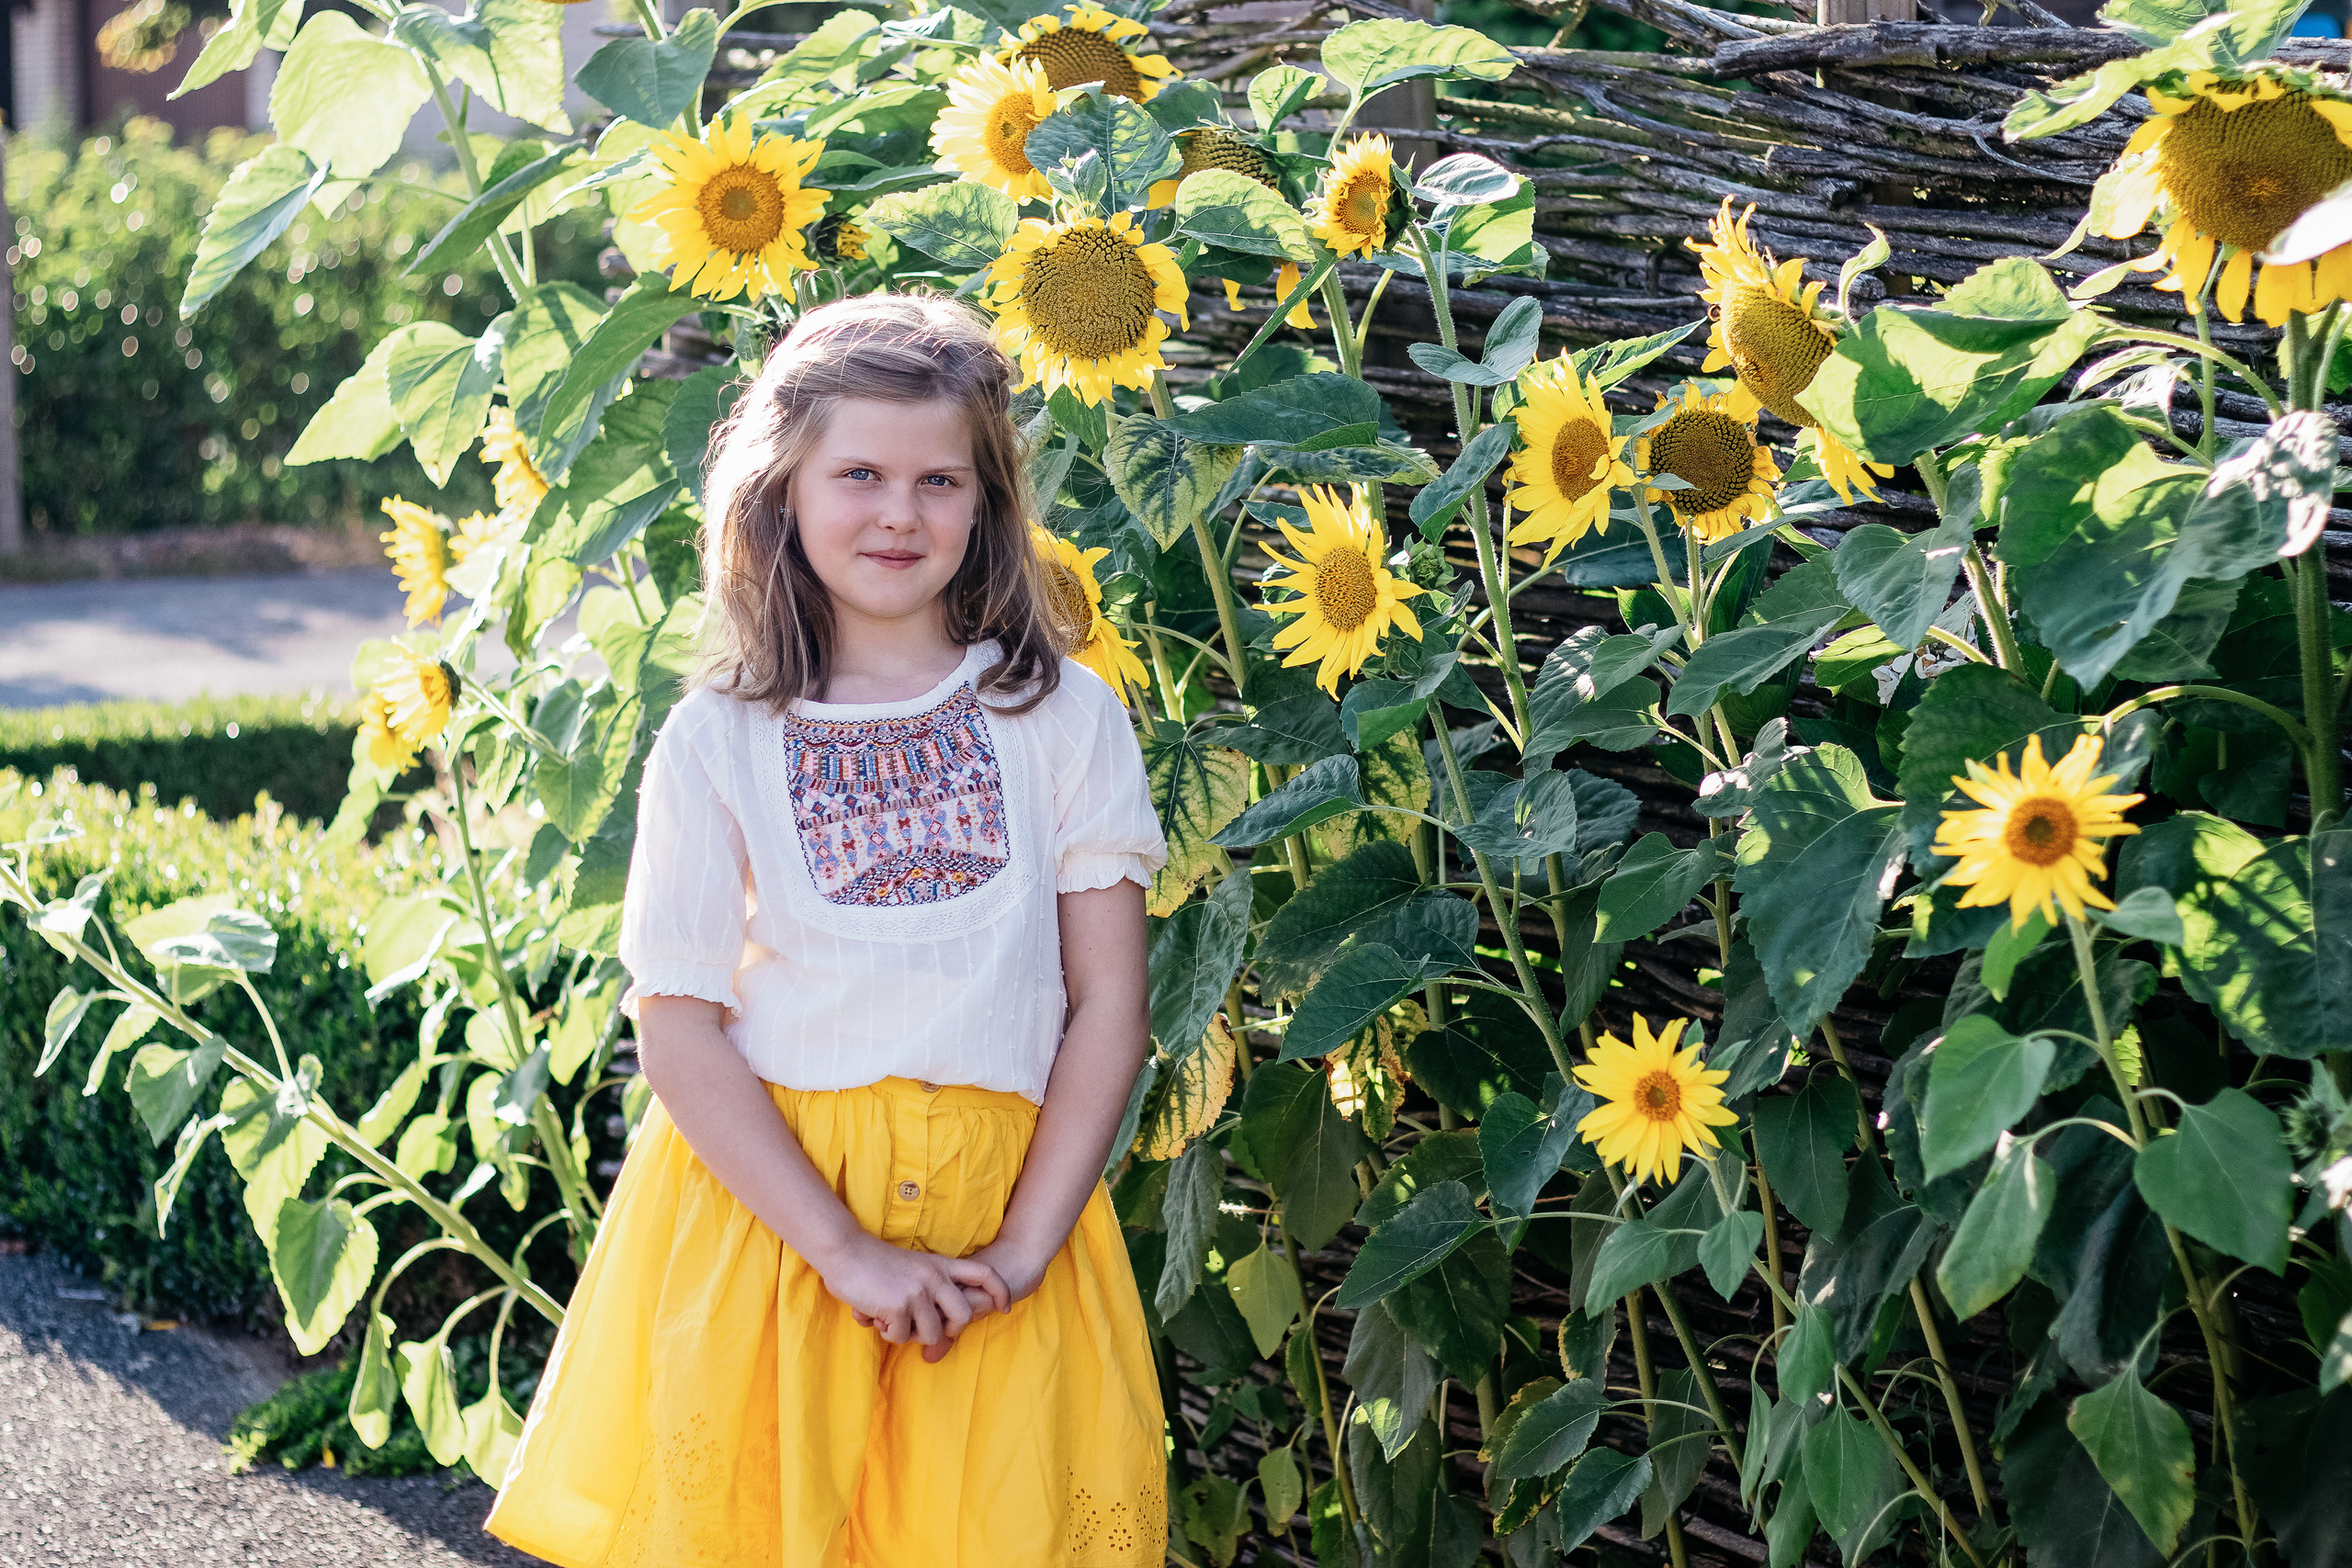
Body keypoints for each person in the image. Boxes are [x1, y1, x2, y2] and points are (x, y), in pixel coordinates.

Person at [484, 293, 1171, 1567]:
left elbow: (1110, 1010)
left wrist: (1023, 1251)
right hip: (780, 1240)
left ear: (988, 504)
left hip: (1004, 1242)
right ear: (782, 492)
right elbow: (678, 1023)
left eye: (938, 480)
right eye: (858, 473)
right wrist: (847, 1251)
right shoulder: (718, 740)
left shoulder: (1066, 721)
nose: (899, 514)